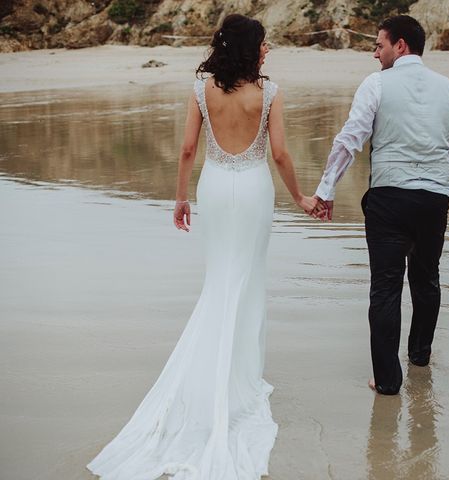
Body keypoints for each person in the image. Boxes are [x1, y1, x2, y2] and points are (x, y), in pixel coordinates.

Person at [87, 14, 316, 479]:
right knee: (247, 281)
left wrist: (179, 198)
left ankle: (219, 377)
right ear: (250, 48)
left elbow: (188, 150)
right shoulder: (269, 94)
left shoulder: (201, 90)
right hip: (253, 191)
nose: (268, 49)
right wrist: (300, 197)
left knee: (220, 281)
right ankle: (241, 382)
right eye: (264, 43)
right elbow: (281, 155)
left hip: (214, 188)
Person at [312, 15, 449, 395]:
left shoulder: (376, 84)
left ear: (400, 46)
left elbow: (350, 138)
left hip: (389, 199)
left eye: (379, 45)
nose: (375, 54)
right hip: (433, 201)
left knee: (385, 288)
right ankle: (420, 355)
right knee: (427, 280)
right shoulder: (448, 88)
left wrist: (326, 188)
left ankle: (388, 381)